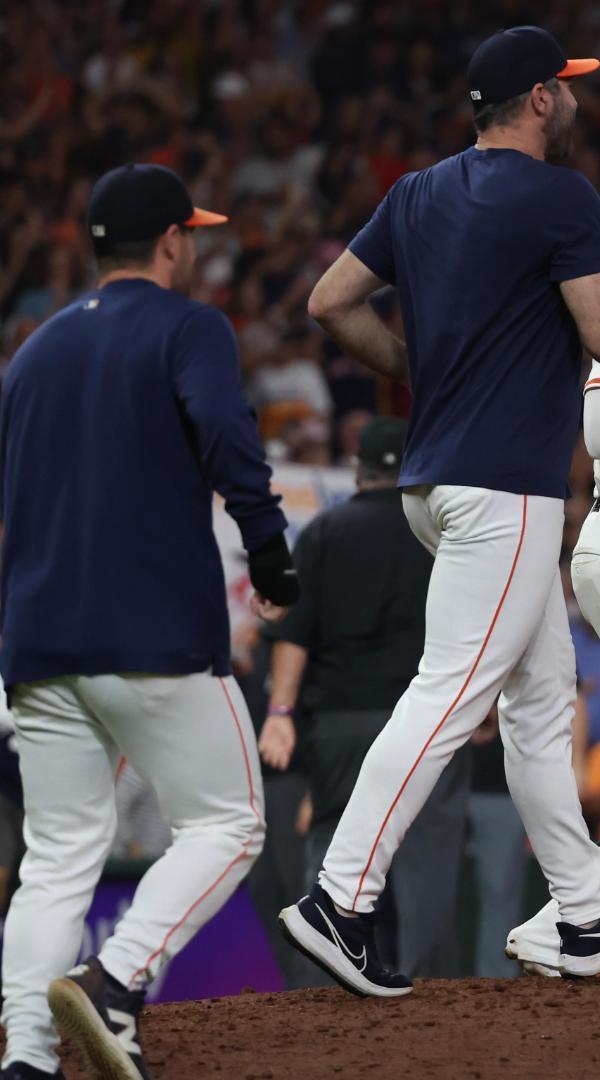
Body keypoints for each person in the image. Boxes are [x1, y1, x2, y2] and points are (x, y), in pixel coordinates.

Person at [279, 26, 600, 998]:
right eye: (567, 87)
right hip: (504, 487)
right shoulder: (558, 194)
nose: (578, 100)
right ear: (538, 100)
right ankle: (340, 895)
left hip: (435, 477)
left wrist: (416, 368)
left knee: (541, 706)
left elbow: (331, 302)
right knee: (452, 693)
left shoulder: (418, 191)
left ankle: (585, 913)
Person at [0, 164, 294, 1080]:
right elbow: (225, 429)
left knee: (53, 860)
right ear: (173, 240)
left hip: (37, 637)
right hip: (153, 631)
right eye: (191, 232)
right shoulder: (189, 324)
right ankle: (118, 978)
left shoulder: (32, 350)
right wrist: (269, 546)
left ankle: (27, 1059)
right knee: (232, 822)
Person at [258, 418, 470, 981]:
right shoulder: (439, 534)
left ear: (358, 470)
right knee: (426, 858)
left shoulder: (325, 531)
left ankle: (322, 989)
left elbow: (293, 634)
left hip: (340, 722)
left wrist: (280, 712)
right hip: (426, 719)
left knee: (334, 849)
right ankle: (429, 992)